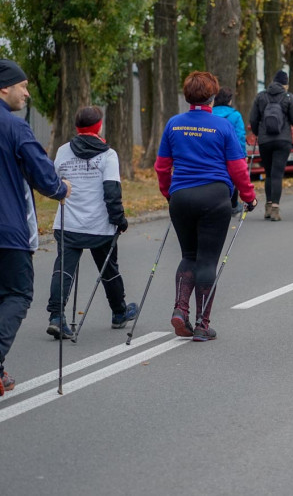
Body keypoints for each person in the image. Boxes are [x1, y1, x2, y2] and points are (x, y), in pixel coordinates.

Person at [156, 71, 257, 341]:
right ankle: (202, 325)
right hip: (214, 197)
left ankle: (180, 309)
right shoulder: (222, 126)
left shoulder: (174, 124)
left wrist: (168, 193)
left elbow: (162, 166)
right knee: (208, 260)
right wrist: (249, 196)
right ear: (212, 96)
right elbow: (237, 168)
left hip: (181, 196)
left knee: (189, 255)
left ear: (187, 96)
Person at [0, 60, 69, 394]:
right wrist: (61, 189)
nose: (26, 94)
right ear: (4, 87)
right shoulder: (15, 127)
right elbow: (44, 175)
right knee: (17, 293)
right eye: (23, 86)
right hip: (8, 230)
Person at [47, 106, 136, 339]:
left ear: (77, 127)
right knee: (109, 269)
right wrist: (119, 220)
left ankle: (56, 317)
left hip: (68, 223)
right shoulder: (108, 155)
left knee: (63, 270)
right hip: (100, 225)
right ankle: (119, 312)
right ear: (99, 126)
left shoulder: (63, 151)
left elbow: (54, 182)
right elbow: (112, 191)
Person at [249, 70, 293, 221]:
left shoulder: (261, 96)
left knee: (268, 173)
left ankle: (267, 207)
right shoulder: (288, 97)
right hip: (283, 140)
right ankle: (275, 209)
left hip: (265, 141)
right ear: (285, 84)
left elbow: (253, 119)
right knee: (277, 174)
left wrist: (258, 133)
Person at [213, 88, 248, 214]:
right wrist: (243, 155)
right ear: (229, 101)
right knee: (233, 177)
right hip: (230, 153)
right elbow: (240, 137)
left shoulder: (209, 114)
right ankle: (233, 205)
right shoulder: (235, 115)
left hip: (213, 152)